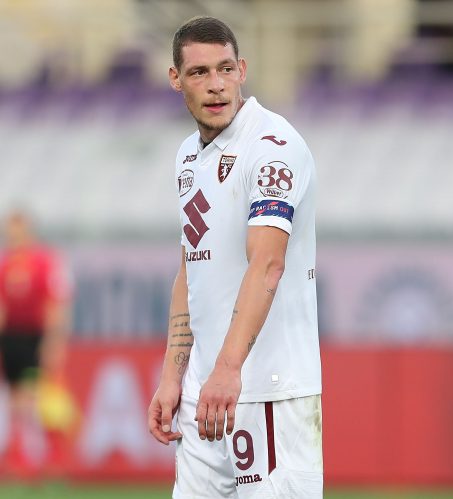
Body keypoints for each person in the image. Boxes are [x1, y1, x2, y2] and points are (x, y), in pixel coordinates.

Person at [146, 17, 323, 498]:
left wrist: (228, 369)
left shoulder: (272, 148)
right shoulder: (188, 155)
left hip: (269, 390)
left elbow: (268, 264)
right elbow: (192, 267)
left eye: (225, 69)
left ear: (242, 70)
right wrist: (173, 375)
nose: (216, 84)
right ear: (176, 79)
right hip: (204, 394)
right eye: (199, 72)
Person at [0, 210, 72, 475]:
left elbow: (56, 303)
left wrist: (53, 341)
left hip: (36, 336)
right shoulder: (5, 264)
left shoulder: (43, 262)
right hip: (12, 338)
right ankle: (20, 458)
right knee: (16, 398)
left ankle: (53, 458)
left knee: (41, 397)